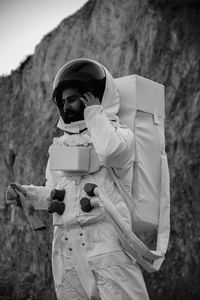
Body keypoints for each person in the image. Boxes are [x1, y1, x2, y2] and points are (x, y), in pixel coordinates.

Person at [6, 58, 149, 300]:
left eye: (72, 99)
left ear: (92, 96)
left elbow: (109, 151)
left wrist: (94, 113)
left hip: (106, 244)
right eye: (62, 102)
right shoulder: (60, 146)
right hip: (66, 248)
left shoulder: (121, 136)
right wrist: (27, 194)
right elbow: (54, 191)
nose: (66, 106)